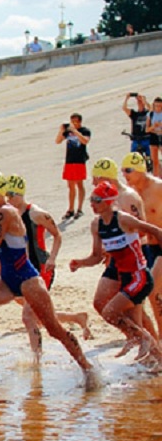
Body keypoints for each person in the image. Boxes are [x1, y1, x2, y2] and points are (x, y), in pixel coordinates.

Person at [0, 172, 92, 382]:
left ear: (1, 193)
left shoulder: (5, 213)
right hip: (8, 279)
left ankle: (87, 367)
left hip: (27, 278)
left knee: (54, 329)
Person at [70, 181, 162, 364]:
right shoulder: (96, 224)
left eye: (96, 200)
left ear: (108, 201)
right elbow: (96, 256)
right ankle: (155, 359)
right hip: (125, 277)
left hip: (139, 276)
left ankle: (143, 339)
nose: (92, 204)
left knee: (110, 311)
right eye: (91, 199)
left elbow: (155, 231)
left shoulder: (123, 219)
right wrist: (80, 263)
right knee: (133, 321)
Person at [5, 174, 92, 357]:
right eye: (7, 195)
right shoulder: (12, 215)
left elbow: (57, 235)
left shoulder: (36, 214)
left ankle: (36, 359)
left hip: (43, 269)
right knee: (40, 313)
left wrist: (53, 258)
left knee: (28, 315)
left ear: (20, 194)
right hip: (26, 270)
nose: (9, 199)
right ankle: (76, 318)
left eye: (11, 194)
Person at [122, 151, 162, 335]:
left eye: (128, 170)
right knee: (143, 295)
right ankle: (154, 339)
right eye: (122, 171)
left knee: (154, 290)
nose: (124, 175)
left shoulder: (158, 188)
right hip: (147, 247)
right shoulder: (131, 195)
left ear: (140, 169)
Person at [55, 113, 91, 220]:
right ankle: (71, 209)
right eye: (73, 121)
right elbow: (58, 141)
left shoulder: (85, 131)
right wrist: (61, 130)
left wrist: (75, 131)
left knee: (79, 184)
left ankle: (79, 208)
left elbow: (85, 141)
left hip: (79, 161)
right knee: (70, 186)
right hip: (69, 161)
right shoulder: (68, 132)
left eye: (76, 121)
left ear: (80, 121)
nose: (74, 123)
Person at [123, 93, 151, 161]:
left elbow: (152, 109)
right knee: (132, 157)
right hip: (136, 140)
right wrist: (127, 98)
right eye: (138, 101)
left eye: (141, 101)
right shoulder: (134, 114)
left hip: (147, 139)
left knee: (151, 155)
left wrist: (144, 100)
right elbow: (124, 108)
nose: (140, 102)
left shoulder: (148, 113)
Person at [147, 97, 162, 177]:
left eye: (160, 106)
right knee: (155, 161)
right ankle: (156, 179)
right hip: (153, 136)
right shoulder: (150, 114)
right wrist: (153, 127)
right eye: (156, 106)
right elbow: (147, 129)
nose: (158, 107)